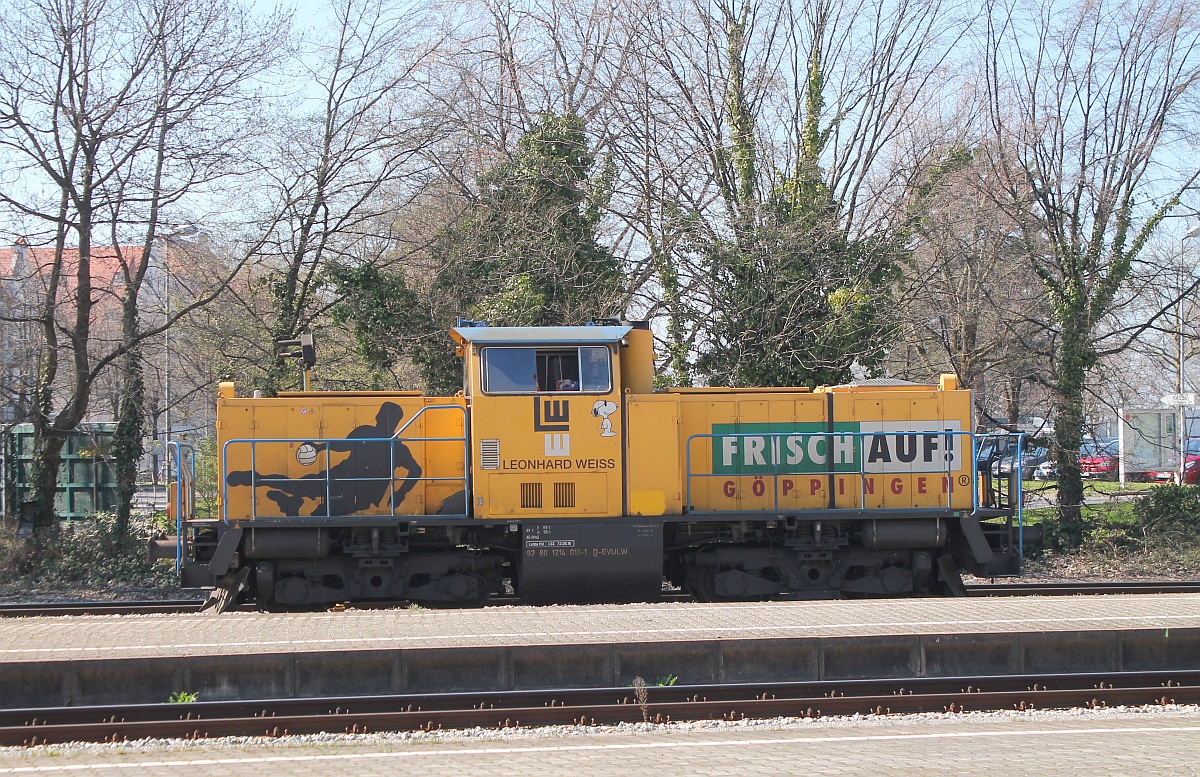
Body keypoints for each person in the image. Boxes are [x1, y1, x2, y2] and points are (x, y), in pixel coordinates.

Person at [226, 402, 423, 517]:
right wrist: (320, 448)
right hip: (337, 478)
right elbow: (343, 445)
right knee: (298, 486)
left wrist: (401, 492)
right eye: (380, 416)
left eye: (383, 417)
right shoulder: (366, 432)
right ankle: (259, 479)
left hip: (359, 497)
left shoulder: (398, 449)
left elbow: (416, 471)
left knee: (318, 514)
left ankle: (291, 506)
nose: (380, 419)